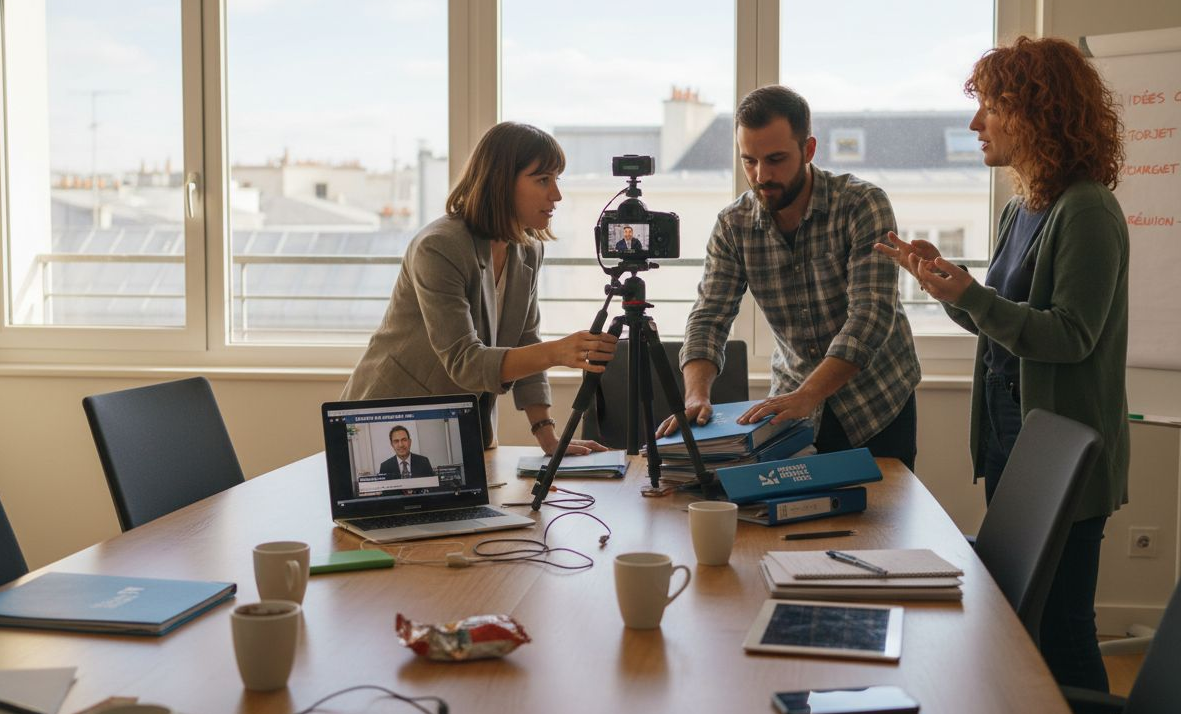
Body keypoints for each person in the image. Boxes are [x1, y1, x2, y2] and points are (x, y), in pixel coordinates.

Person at [875, 36, 1128, 714]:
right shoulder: (1023, 210)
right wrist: (950, 287)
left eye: (990, 106)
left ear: (1036, 112)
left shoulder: (1087, 211)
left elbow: (1070, 336)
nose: (975, 123)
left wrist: (974, 298)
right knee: (1022, 622)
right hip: (1012, 444)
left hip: (1064, 458)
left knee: (1066, 629)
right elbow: (1005, 328)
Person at [659, 85, 920, 469]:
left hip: (876, 403)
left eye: (776, 159)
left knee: (879, 524)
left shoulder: (862, 204)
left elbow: (870, 316)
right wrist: (695, 396)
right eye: (749, 160)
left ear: (809, 150)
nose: (761, 175)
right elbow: (709, 316)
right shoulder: (734, 224)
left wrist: (808, 394)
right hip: (791, 412)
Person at [342, 122, 616, 455]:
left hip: (458, 428)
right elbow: (465, 362)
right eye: (543, 180)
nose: (556, 194)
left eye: (556, 180)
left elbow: (525, 340)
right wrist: (558, 352)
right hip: (385, 422)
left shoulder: (527, 249)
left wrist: (548, 437)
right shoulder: (440, 246)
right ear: (501, 183)